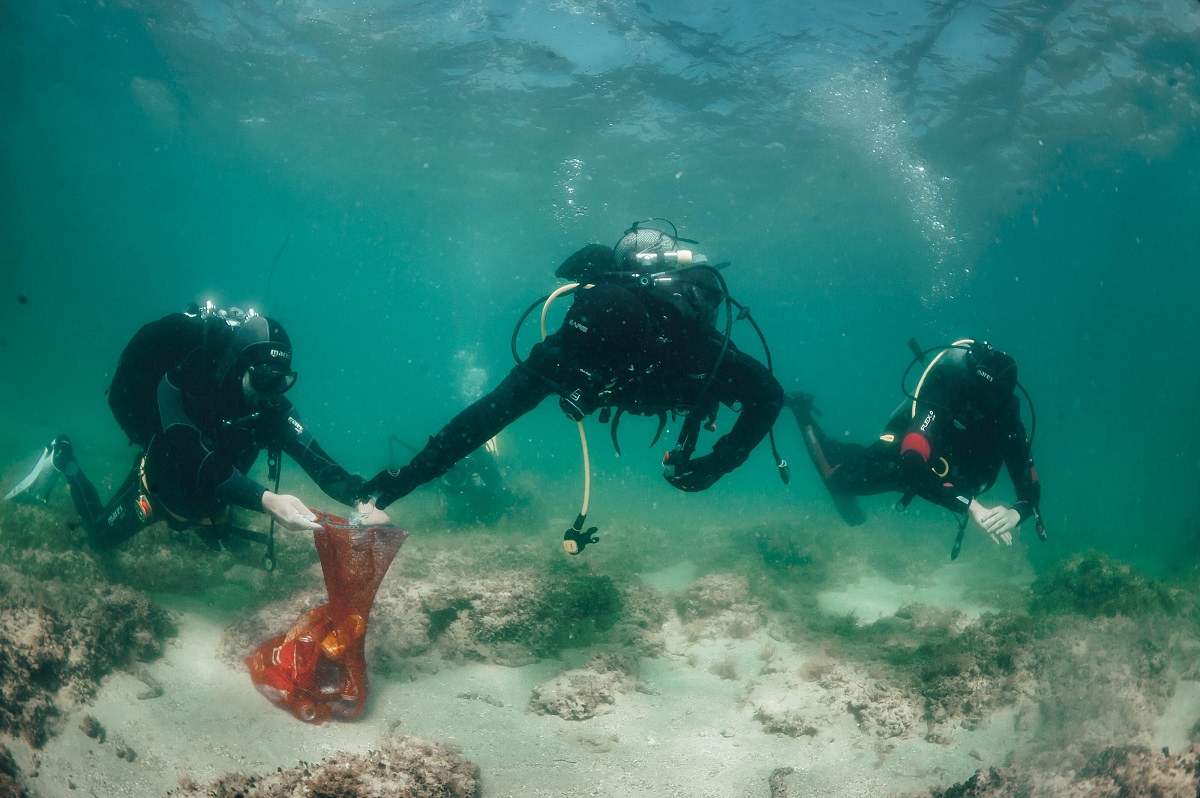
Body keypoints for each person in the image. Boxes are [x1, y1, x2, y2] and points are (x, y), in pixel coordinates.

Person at [357, 221, 785, 551]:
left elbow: (768, 395)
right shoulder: (575, 344)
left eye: (604, 347)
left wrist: (720, 462)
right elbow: (490, 414)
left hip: (679, 380)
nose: (590, 353)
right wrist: (400, 482)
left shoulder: (689, 345)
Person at [5, 303, 366, 554]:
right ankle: (63, 457)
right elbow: (191, 452)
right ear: (239, 363)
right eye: (263, 379)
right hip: (157, 490)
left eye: (281, 382)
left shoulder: (268, 402)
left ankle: (209, 522)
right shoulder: (184, 382)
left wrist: (362, 499)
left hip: (212, 504)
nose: (270, 393)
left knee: (220, 539)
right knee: (101, 538)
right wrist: (267, 501)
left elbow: (315, 456)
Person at [784, 339, 1043, 557]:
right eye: (976, 390)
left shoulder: (1009, 422)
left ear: (1004, 397)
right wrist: (971, 506)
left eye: (990, 397)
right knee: (834, 479)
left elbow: (1030, 490)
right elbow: (910, 464)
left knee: (856, 457)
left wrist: (1015, 514)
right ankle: (801, 409)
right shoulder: (948, 392)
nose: (978, 403)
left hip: (937, 478)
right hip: (898, 464)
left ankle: (847, 453)